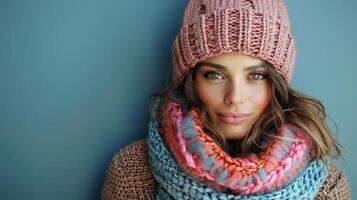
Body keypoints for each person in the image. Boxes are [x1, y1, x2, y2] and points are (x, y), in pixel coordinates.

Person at [101, 0, 352, 199]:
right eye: (215, 75)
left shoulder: (326, 186)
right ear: (192, 80)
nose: (235, 97)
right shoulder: (133, 171)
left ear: (276, 83)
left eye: (255, 75)